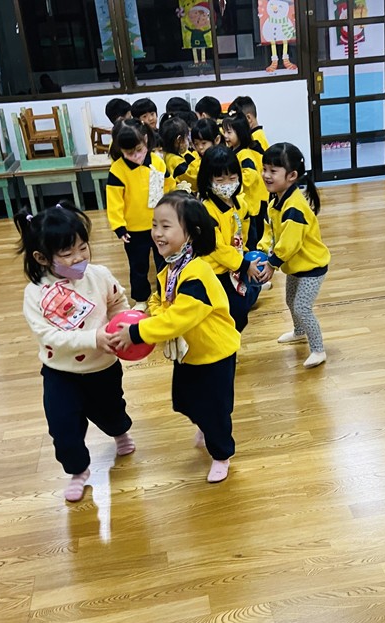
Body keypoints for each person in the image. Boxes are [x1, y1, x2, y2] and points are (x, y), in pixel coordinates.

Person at [105, 192, 240, 483]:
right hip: (189, 354)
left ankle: (222, 455)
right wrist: (149, 312)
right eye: (154, 225)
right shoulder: (172, 268)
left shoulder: (197, 274)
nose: (157, 233)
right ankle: (204, 422)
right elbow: (160, 300)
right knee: (185, 401)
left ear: (191, 233)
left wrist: (137, 332)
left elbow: (178, 318)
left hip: (215, 354)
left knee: (216, 410)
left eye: (166, 226)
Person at [17, 201, 136, 502]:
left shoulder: (99, 275)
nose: (79, 257)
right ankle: (78, 471)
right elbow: (48, 335)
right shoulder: (36, 293)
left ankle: (120, 432)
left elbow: (117, 302)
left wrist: (123, 325)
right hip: (61, 372)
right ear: (42, 257)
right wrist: (92, 337)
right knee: (62, 426)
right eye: (68, 253)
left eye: (83, 247)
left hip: (103, 366)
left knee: (111, 410)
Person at [258, 142, 329, 369]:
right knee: (290, 300)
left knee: (302, 307)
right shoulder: (276, 200)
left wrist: (272, 264)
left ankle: (318, 349)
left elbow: (290, 243)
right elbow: (270, 230)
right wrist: (262, 249)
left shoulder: (294, 207)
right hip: (295, 265)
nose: (266, 175)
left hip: (311, 267)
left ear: (292, 176)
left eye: (273, 170)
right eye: (264, 169)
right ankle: (299, 331)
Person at [107, 119, 175, 310]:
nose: (136, 156)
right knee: (138, 266)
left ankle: (165, 295)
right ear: (120, 149)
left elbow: (168, 186)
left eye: (139, 150)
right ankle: (141, 299)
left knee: (164, 262)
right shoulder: (118, 170)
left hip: (160, 225)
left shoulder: (157, 162)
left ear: (145, 139)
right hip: (134, 230)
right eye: (129, 153)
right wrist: (119, 227)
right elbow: (114, 201)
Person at [197, 145, 263, 331]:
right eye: (220, 180)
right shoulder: (207, 210)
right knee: (227, 313)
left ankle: (229, 340)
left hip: (236, 266)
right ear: (208, 180)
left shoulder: (240, 203)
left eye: (232, 178)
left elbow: (245, 231)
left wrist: (247, 254)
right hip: (216, 271)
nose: (227, 184)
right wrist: (243, 264)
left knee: (240, 313)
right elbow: (216, 247)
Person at [222, 113, 264, 250]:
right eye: (224, 132)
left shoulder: (245, 154)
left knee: (251, 240)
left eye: (229, 132)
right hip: (241, 205)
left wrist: (232, 182)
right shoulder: (232, 151)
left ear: (240, 133)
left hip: (250, 207)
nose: (225, 136)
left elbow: (250, 175)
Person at [160, 116, 199, 191]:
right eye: (186, 137)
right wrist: (195, 154)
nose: (188, 140)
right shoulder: (175, 161)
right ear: (179, 139)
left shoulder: (169, 154)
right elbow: (195, 180)